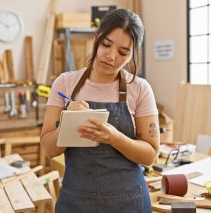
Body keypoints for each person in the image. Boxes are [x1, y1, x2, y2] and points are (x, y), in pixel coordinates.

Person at [40, 8, 160, 212]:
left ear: (132, 55)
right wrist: (68, 121)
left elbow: (150, 155)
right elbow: (49, 150)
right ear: (96, 37)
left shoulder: (139, 88)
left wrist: (114, 138)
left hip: (129, 202)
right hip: (76, 202)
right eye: (106, 44)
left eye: (123, 52)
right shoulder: (65, 84)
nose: (111, 56)